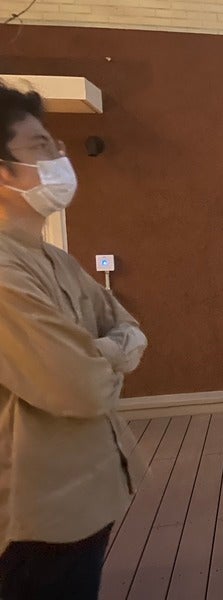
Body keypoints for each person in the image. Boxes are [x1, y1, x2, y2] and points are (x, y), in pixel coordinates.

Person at [0, 82, 147, 600]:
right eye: (41, 146)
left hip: (88, 501)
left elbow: (128, 325)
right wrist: (105, 355)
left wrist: (94, 354)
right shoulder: (5, 272)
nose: (60, 158)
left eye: (57, 145)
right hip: (37, 519)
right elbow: (79, 385)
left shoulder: (54, 259)